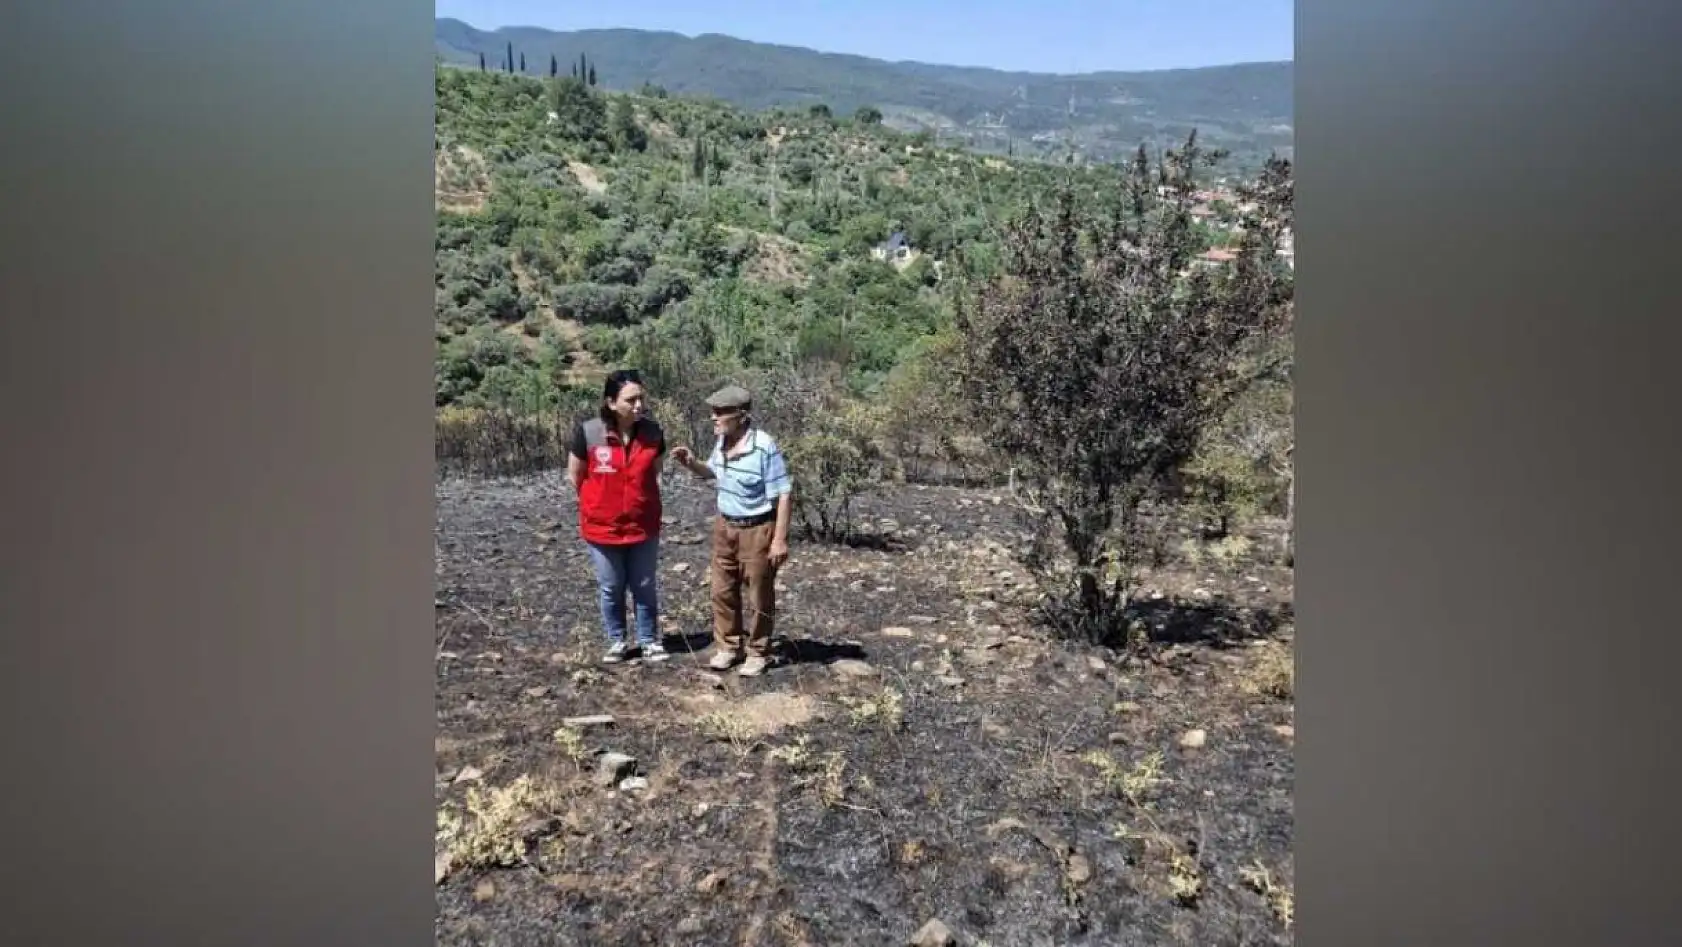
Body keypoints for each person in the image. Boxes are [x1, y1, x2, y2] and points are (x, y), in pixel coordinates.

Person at [669, 384, 792, 678]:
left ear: (742, 415)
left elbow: (783, 494)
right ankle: (729, 646)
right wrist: (691, 464)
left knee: (759, 594)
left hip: (757, 528)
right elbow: (713, 472)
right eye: (713, 412)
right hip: (726, 526)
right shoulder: (722, 442)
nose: (714, 417)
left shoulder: (763, 446)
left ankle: (758, 651)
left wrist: (779, 540)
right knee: (721, 590)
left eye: (721, 412)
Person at [568, 369, 668, 665]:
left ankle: (649, 640)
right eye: (631, 400)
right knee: (611, 586)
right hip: (602, 527)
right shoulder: (588, 432)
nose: (638, 406)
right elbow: (576, 475)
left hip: (642, 524)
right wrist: (599, 503)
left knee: (644, 584)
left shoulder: (653, 432)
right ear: (611, 402)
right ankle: (617, 640)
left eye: (641, 399)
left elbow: (655, 471)